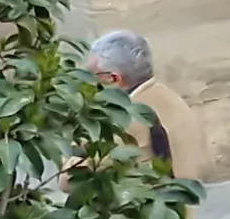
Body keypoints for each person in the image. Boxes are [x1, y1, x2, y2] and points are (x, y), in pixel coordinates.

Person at [85, 28, 208, 183]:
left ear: (114, 79)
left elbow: (68, 179)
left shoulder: (125, 120)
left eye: (90, 75)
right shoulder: (173, 99)